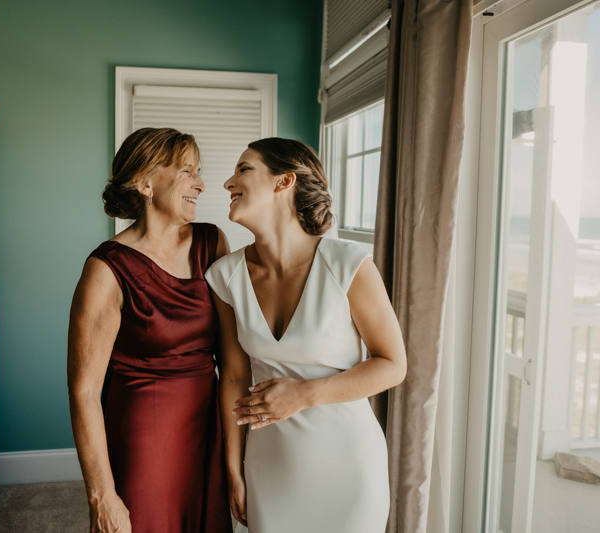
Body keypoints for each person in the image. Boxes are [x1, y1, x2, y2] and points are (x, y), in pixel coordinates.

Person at [206, 138, 406, 533]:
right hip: (269, 466)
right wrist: (234, 467)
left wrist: (303, 395)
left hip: (349, 467)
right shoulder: (224, 277)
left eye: (244, 169)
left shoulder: (348, 264)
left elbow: (392, 365)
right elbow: (232, 375)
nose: (228, 183)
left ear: (285, 182)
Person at [67, 127, 233, 533]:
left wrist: (237, 459)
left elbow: (232, 362)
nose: (200, 183)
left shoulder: (212, 244)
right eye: (186, 171)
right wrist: (101, 496)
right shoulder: (106, 268)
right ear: (144, 183)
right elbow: (84, 391)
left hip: (206, 427)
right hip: (144, 432)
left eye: (198, 171)